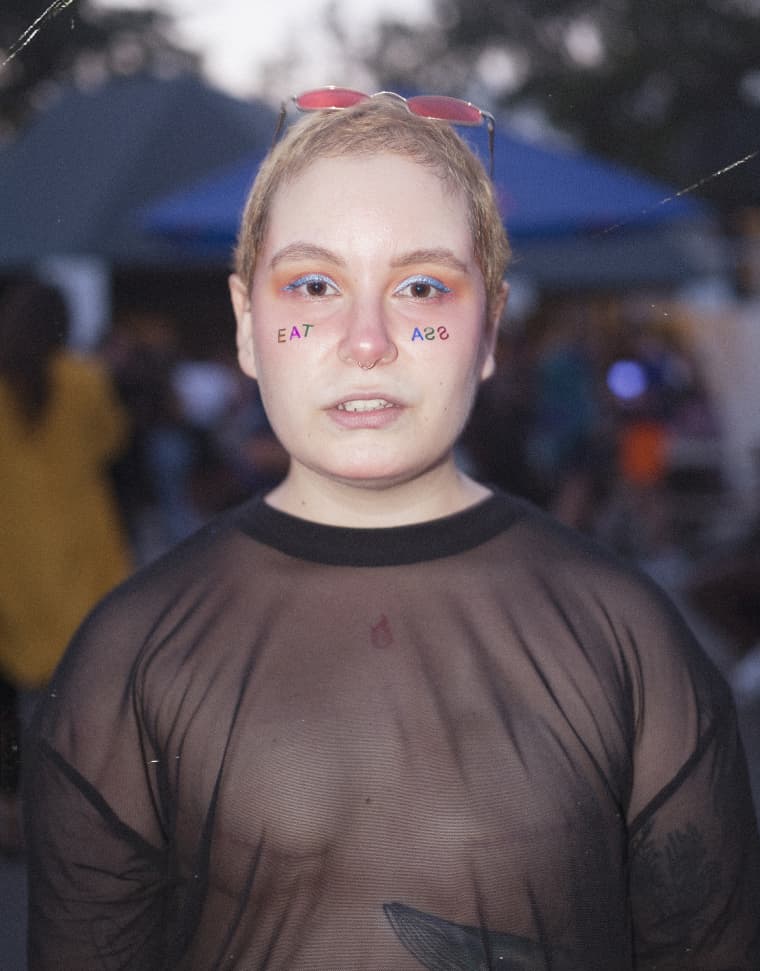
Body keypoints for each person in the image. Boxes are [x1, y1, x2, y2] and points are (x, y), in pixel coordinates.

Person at [24, 91, 760, 970]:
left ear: (488, 326)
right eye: (313, 285)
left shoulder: (629, 643)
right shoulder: (129, 658)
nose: (367, 340)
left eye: (421, 286)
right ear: (247, 326)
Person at [0, 280, 132, 853]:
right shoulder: (84, 379)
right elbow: (112, 443)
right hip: (86, 553)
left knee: (35, 705)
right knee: (95, 702)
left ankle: (42, 817)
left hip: (16, 562)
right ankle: (96, 816)